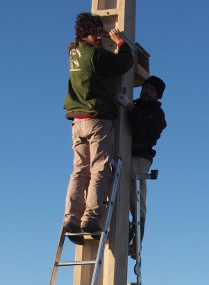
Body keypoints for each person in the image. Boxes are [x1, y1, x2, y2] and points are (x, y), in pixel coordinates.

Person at [63, 13, 134, 241]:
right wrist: (121, 43)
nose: (100, 36)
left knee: (79, 171)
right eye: (96, 32)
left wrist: (102, 39)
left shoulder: (74, 52)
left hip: (78, 121)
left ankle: (71, 219)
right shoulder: (95, 55)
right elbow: (123, 63)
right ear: (85, 33)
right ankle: (91, 217)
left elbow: (77, 46)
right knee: (100, 169)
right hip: (96, 119)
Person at [114, 76, 167, 254]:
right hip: (121, 152)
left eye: (152, 89)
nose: (146, 91)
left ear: (158, 95)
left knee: (135, 198)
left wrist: (129, 107)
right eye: (146, 87)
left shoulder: (157, 115)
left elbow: (144, 129)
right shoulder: (134, 105)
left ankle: (135, 241)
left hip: (139, 157)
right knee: (115, 193)